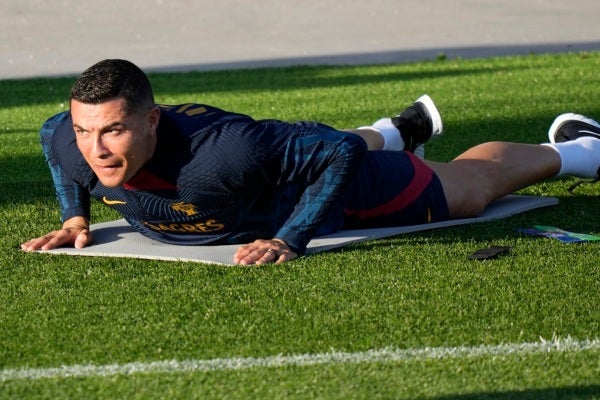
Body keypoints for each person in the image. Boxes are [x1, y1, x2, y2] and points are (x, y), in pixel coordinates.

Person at [21, 59, 600, 265]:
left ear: (150, 121)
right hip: (274, 160)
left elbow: (336, 155)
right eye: (85, 130)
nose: (96, 148)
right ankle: (395, 131)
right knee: (311, 144)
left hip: (314, 187)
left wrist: (291, 237)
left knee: (470, 190)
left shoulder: (221, 154)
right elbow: (57, 145)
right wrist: (75, 218)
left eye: (113, 130)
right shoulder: (71, 139)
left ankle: (577, 147)